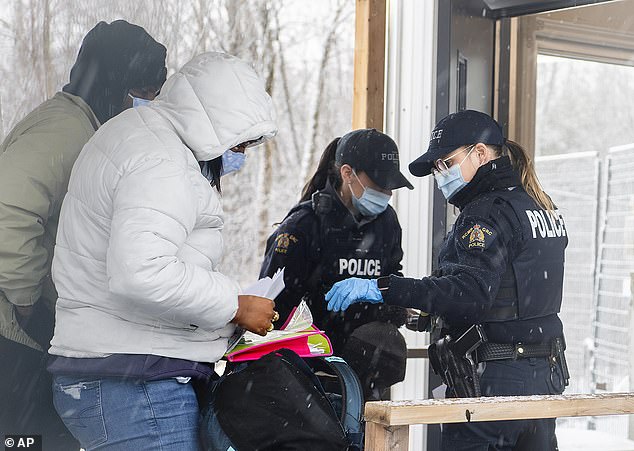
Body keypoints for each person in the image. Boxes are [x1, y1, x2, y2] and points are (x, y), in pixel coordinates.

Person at [47, 51, 278, 450]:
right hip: (130, 381)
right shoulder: (161, 161)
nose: (238, 154)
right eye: (239, 142)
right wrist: (234, 305)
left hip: (118, 371)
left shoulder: (143, 137)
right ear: (216, 124)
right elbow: (142, 272)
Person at [326, 110, 569, 450]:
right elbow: (512, 293)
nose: (441, 175)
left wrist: (384, 287)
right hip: (542, 376)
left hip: (496, 383)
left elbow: (468, 294)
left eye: (446, 163)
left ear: (480, 153)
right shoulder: (537, 206)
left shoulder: (486, 212)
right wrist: (430, 314)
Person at [0, 20, 166, 449]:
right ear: (117, 82)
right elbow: (7, 210)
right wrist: (28, 303)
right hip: (15, 341)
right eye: (146, 94)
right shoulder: (65, 130)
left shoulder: (83, 126)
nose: (148, 105)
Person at [260, 129, 413, 400]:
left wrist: (393, 307)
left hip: (370, 368)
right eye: (378, 184)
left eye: (390, 186)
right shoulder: (304, 226)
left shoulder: (387, 222)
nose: (386, 193)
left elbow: (391, 277)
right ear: (347, 173)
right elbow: (271, 304)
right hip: (311, 374)